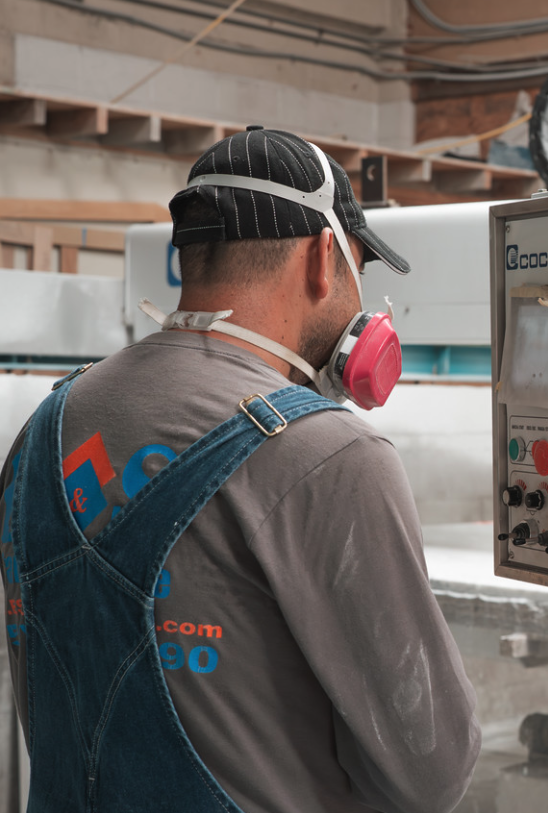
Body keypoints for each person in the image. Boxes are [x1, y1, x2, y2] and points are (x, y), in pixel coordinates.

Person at [0, 127, 481, 812]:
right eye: (360, 272)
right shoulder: (330, 454)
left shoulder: (41, 430)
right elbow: (431, 771)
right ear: (323, 258)